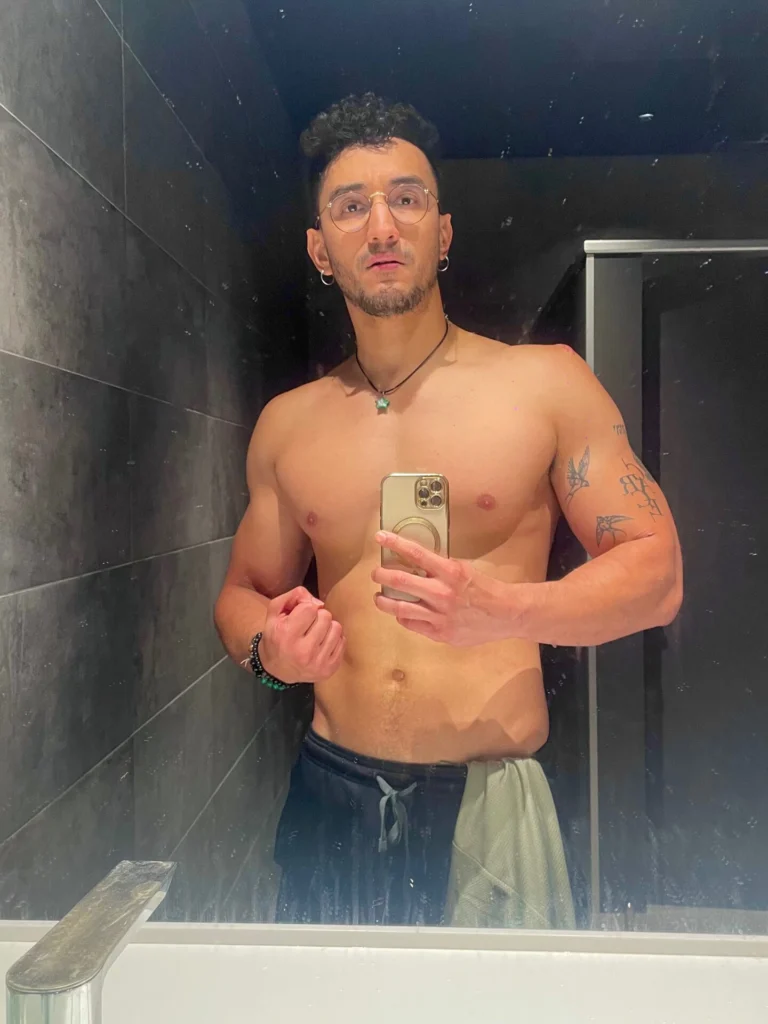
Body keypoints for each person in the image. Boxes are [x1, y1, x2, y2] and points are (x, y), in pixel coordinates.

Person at [214, 93, 683, 927]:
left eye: (407, 198)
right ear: (320, 248)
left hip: (487, 800)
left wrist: (507, 610)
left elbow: (658, 574)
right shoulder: (288, 425)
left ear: (443, 232)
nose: (382, 226)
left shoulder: (543, 383)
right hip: (330, 790)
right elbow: (242, 593)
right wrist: (270, 653)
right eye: (351, 207)